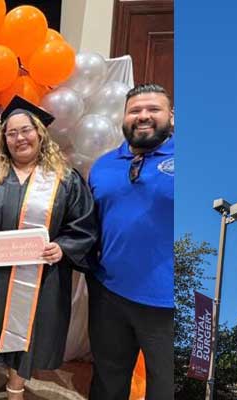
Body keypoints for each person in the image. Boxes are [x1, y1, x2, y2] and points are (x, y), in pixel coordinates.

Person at [0, 97, 100, 400]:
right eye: (11, 133)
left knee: (25, 329)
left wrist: (64, 248)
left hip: (36, 273)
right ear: (3, 139)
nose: (19, 138)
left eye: (25, 130)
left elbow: (83, 224)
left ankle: (15, 388)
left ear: (40, 133)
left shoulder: (64, 178)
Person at [84, 84, 174, 400]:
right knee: (108, 380)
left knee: (164, 387)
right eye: (135, 110)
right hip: (109, 293)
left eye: (153, 109)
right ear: (124, 117)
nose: (143, 116)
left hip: (167, 303)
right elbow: (86, 226)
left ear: (171, 117)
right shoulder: (103, 165)